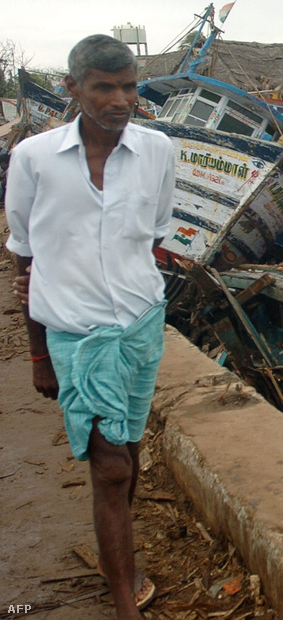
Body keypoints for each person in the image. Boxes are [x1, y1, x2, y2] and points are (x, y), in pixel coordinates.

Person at [5, 35, 175, 619]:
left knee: (125, 449)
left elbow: (152, 236)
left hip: (140, 324)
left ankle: (115, 557)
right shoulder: (33, 158)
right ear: (72, 89)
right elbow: (23, 254)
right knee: (111, 467)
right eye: (104, 87)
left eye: (128, 86)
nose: (120, 99)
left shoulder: (158, 152)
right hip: (76, 333)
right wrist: (37, 355)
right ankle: (124, 600)